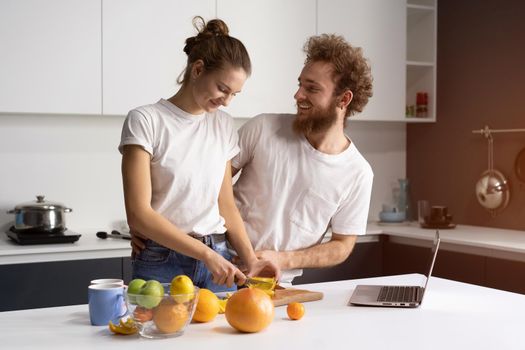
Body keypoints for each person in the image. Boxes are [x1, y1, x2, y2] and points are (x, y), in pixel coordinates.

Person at [119, 16, 279, 293]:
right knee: (156, 334)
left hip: (218, 260)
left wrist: (251, 260)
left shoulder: (223, 124)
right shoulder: (145, 120)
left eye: (234, 94)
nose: (226, 101)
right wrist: (204, 254)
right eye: (222, 89)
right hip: (162, 260)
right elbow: (139, 214)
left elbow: (225, 204)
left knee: (223, 335)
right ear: (198, 69)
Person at [231, 33, 374, 284]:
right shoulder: (263, 127)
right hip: (220, 270)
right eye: (300, 84)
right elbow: (208, 183)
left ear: (344, 99)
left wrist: (282, 260)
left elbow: (342, 245)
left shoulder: (358, 173)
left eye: (312, 88)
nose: (298, 95)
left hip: (277, 284)